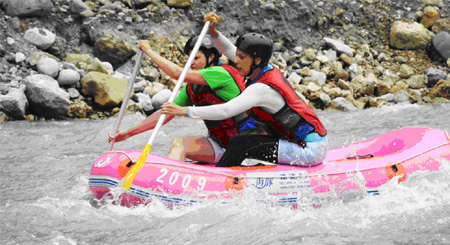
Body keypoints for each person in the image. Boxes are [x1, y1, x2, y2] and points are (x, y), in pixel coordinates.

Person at [161, 13, 328, 168]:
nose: (236, 61)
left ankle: (222, 181)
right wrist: (213, 32)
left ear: (256, 60)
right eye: (238, 56)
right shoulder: (260, 66)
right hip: (292, 141)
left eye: (241, 58)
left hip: (309, 149)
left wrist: (184, 111)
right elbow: (228, 49)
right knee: (242, 141)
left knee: (241, 144)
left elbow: (225, 110)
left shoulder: (261, 89)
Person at [108, 35, 259, 164]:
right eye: (189, 58)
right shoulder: (191, 87)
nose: (191, 62)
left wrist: (148, 52)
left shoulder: (221, 73)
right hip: (221, 144)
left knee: (181, 144)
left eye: (196, 58)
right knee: (180, 144)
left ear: (211, 57)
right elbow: (165, 114)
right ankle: (169, 189)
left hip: (246, 146)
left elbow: (177, 73)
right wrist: (128, 133)